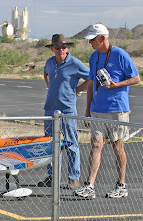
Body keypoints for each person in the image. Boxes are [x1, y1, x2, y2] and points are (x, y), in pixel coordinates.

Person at [74, 23, 140, 199]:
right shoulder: (94, 57)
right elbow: (91, 84)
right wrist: (88, 109)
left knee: (117, 145)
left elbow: (136, 78)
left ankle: (121, 185)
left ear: (103, 38)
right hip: (98, 109)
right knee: (96, 144)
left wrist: (117, 85)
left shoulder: (120, 54)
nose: (90, 43)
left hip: (117, 109)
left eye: (93, 40)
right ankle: (90, 186)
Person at [37, 34, 90, 190]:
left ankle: (74, 177)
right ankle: (52, 175)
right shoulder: (50, 62)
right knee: (50, 144)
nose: (61, 50)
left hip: (67, 109)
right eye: (58, 47)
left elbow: (90, 77)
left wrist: (77, 89)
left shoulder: (74, 63)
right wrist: (49, 85)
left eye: (64, 47)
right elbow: (45, 73)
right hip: (50, 108)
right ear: (52, 49)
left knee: (71, 142)